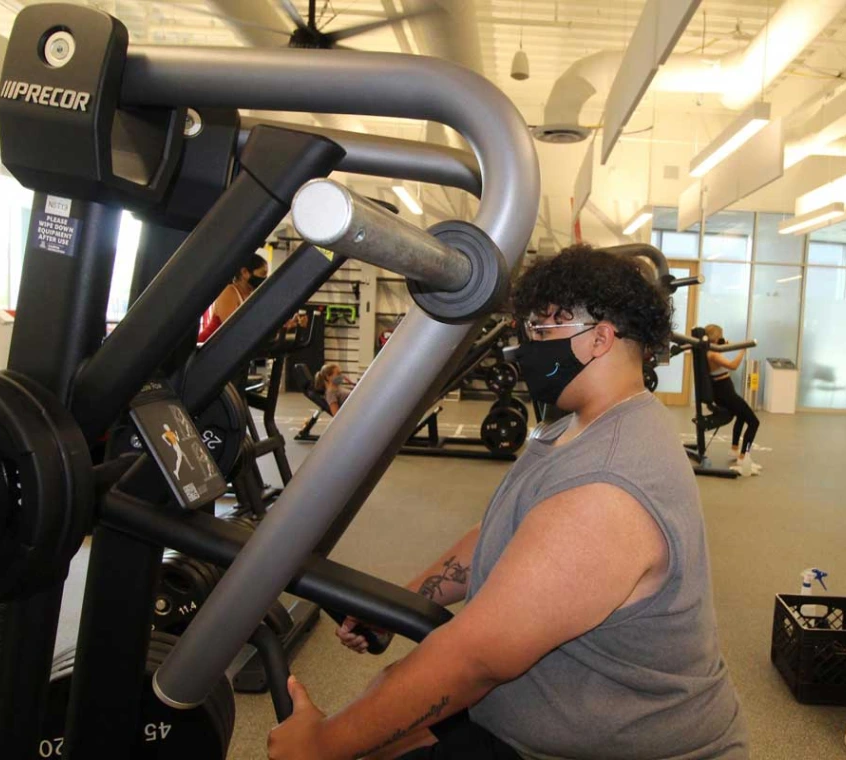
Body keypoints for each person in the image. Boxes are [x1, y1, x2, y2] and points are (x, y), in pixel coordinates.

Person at [268, 244, 748, 760]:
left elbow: (474, 661)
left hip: (619, 748)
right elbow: (508, 533)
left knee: (380, 722)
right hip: (536, 716)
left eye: (541, 332)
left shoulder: (606, 487)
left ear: (599, 340)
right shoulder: (574, 422)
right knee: (387, 707)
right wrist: (402, 602)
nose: (524, 348)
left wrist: (323, 745)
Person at [703, 324, 761, 477]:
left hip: (724, 392)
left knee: (742, 415)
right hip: (725, 394)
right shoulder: (713, 354)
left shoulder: (708, 350)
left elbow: (720, 349)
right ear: (715, 338)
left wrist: (724, 345)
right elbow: (733, 365)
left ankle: (735, 449)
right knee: (754, 422)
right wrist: (743, 349)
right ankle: (744, 458)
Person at [198, 252, 269, 343]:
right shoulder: (229, 292)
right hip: (205, 347)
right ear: (245, 272)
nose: (264, 278)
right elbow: (233, 329)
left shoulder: (251, 295)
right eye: (262, 274)